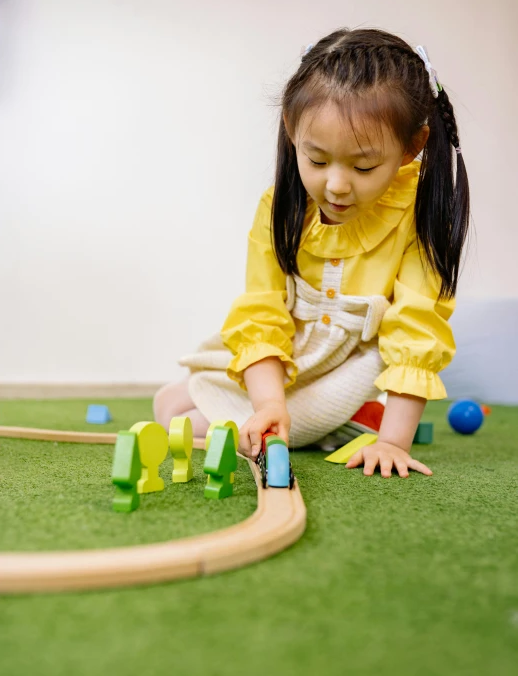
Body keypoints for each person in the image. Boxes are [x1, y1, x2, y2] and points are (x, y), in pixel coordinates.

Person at [154, 27, 470, 479]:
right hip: (290, 357)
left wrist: (392, 443)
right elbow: (262, 313)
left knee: (189, 427)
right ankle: (342, 421)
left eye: (363, 166)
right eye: (317, 160)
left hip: (344, 373)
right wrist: (269, 405)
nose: (337, 185)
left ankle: (357, 417)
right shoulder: (279, 206)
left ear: (411, 147)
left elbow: (415, 334)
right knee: (166, 404)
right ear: (291, 128)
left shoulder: (418, 216)